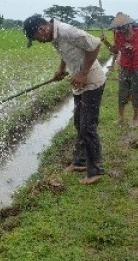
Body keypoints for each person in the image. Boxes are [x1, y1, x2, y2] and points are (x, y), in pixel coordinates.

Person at [23, 15, 106, 185]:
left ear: (41, 29)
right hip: (80, 83)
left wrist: (82, 73)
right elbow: (65, 52)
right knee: (78, 122)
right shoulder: (54, 36)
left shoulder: (67, 31)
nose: (38, 41)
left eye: (36, 38)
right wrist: (61, 68)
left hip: (92, 81)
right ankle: (80, 161)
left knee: (87, 126)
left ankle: (95, 170)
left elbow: (95, 45)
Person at [100, 12, 138, 128]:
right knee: (123, 92)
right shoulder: (118, 35)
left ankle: (135, 118)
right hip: (124, 67)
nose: (121, 31)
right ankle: (121, 118)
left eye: (122, 28)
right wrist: (105, 42)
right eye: (118, 29)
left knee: (137, 92)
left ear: (128, 25)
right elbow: (115, 50)